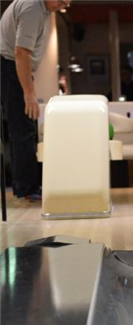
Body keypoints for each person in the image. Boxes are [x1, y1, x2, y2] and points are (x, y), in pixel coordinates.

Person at [1, 0, 72, 202]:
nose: (61, 7)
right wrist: (29, 92)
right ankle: (28, 188)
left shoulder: (41, 8)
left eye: (66, 4)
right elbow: (21, 52)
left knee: (21, 128)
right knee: (24, 129)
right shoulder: (33, 8)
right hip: (9, 67)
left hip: (9, 67)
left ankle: (25, 186)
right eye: (60, 1)